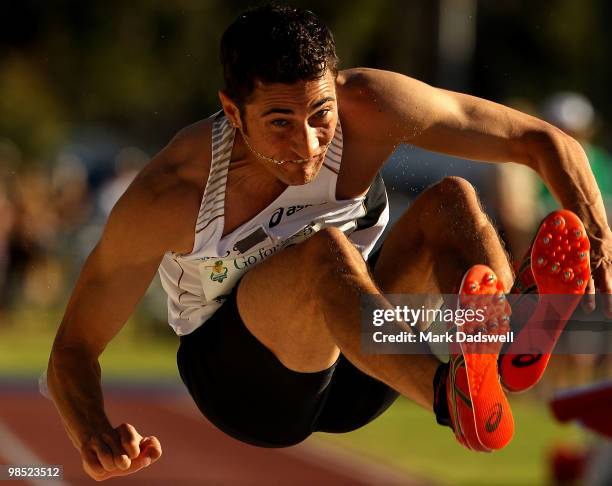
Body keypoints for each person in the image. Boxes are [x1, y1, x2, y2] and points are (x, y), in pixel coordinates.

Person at [46, 4, 612, 481]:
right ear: (232, 113)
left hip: (364, 356)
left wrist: (599, 237)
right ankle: (451, 395)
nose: (310, 143)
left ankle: (509, 344)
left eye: (321, 115)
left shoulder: (371, 106)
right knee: (324, 249)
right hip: (246, 388)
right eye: (280, 123)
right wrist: (93, 433)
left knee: (452, 203)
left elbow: (540, 140)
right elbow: (72, 349)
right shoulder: (171, 195)